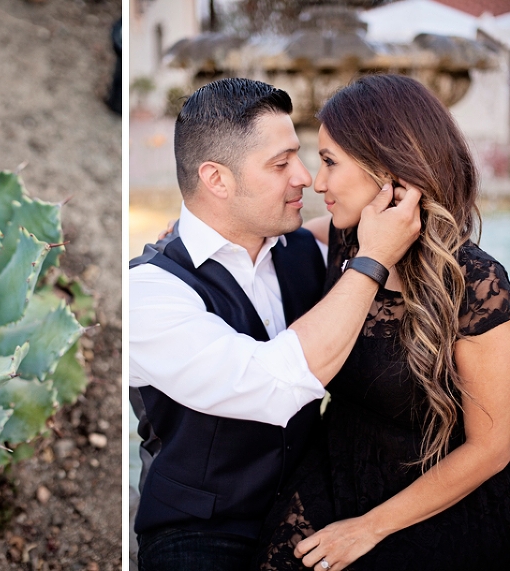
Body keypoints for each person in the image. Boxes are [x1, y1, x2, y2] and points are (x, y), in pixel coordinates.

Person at [129, 77, 421, 570]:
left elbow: (379, 220)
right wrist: (370, 259)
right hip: (202, 529)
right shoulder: (151, 293)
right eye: (281, 164)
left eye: (302, 157)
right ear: (216, 179)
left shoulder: (304, 249)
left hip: (314, 503)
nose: (305, 177)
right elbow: (273, 385)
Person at [256, 73, 510, 571]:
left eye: (329, 161)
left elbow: (495, 446)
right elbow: (271, 244)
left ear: (389, 168)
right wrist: (194, 236)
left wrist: (368, 528)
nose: (317, 181)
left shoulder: (479, 285)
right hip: (338, 465)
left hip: (437, 497)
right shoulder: (345, 239)